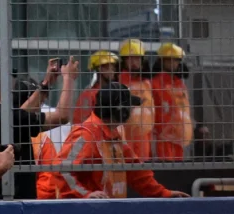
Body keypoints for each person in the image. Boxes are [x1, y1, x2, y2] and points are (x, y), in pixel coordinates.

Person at [36, 83, 188, 199]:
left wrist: (164, 194)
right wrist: (86, 196)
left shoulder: (113, 136)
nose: (132, 111)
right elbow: (62, 171)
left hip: (109, 212)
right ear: (119, 110)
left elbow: (137, 173)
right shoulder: (86, 135)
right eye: (129, 107)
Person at [0, 53, 80, 198]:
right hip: (16, 197)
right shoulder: (10, 117)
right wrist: (69, 79)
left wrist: (47, 82)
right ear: (3, 79)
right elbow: (61, 117)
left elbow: (22, 114)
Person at [150, 42, 193, 161]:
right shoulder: (155, 84)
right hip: (163, 137)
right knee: (165, 168)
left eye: (176, 60)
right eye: (169, 60)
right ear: (161, 61)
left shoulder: (180, 84)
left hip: (180, 136)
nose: (173, 63)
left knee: (178, 170)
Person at [117, 39, 156, 161]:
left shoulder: (147, 83)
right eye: (130, 58)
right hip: (124, 137)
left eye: (137, 58)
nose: (134, 62)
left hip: (144, 138)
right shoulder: (117, 81)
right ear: (124, 61)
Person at [72, 50, 120, 125]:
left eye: (113, 68)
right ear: (98, 69)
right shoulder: (89, 94)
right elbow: (79, 122)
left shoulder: (116, 93)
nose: (112, 71)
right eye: (108, 68)